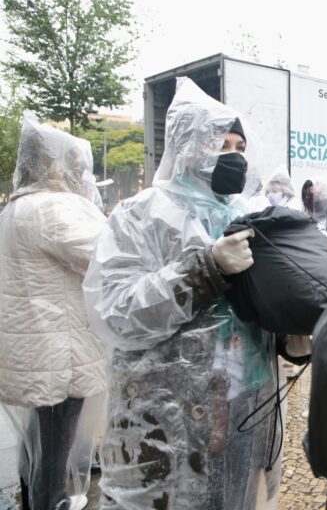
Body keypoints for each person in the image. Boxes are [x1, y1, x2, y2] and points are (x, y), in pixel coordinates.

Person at [83, 78, 283, 509]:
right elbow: (117, 313)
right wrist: (206, 267)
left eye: (239, 146)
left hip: (243, 408)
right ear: (189, 146)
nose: (233, 155)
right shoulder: (142, 215)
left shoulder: (247, 215)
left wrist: (292, 333)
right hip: (166, 414)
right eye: (220, 143)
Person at [0, 113, 107, 510]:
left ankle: (35, 496)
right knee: (58, 440)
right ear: (51, 163)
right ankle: (51, 500)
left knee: (38, 438)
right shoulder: (54, 208)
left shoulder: (15, 208)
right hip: (60, 352)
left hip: (33, 349)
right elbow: (105, 255)